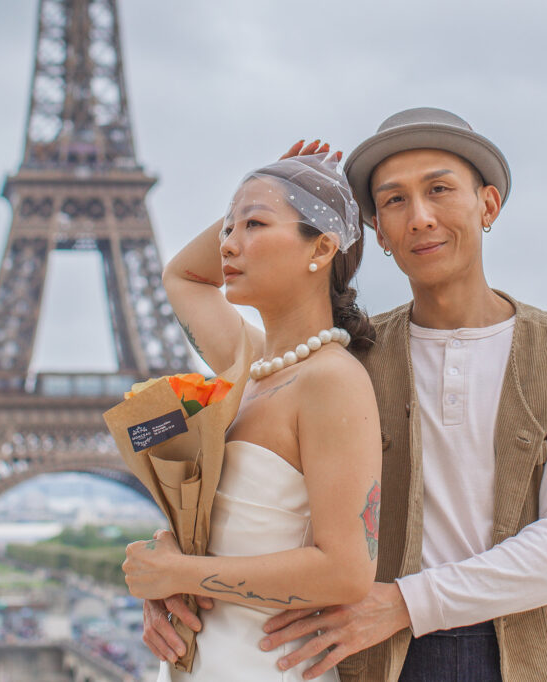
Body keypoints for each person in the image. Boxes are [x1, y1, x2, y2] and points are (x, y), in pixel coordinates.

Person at [251, 108, 547, 681]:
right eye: (394, 201)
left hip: (515, 654)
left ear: (488, 205)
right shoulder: (349, 357)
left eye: (440, 190)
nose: (420, 217)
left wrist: (405, 603)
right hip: (375, 656)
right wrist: (268, 192)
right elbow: (264, 492)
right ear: (378, 232)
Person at [121, 144, 383, 681]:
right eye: (227, 229)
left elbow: (348, 571)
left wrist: (182, 573)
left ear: (322, 247)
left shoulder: (331, 380)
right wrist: (263, 190)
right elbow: (184, 277)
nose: (229, 245)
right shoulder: (252, 364)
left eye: (255, 226)